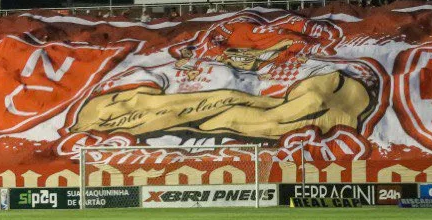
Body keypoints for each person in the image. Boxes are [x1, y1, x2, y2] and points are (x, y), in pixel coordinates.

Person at [63, 13, 379, 155]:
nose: (249, 60)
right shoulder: (174, 70)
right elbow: (93, 119)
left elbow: (313, 115)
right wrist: (230, 101)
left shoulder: (317, 71)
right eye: (238, 52)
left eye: (268, 51)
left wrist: (181, 118)